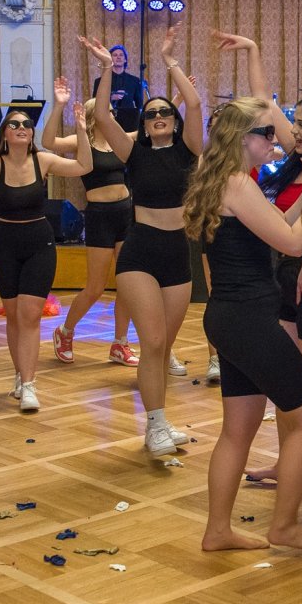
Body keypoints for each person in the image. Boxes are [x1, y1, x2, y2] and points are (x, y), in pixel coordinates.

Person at [183, 96, 302, 553]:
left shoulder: (228, 180)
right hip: (247, 318)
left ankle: (218, 531)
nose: (275, 141)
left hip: (230, 317)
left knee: (237, 431)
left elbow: (277, 224)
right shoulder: (237, 183)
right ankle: (284, 526)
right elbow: (292, 244)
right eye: (267, 133)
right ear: (242, 137)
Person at [85, 30, 202, 456]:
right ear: (145, 123)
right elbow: (102, 116)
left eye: (164, 112)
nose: (158, 116)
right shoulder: (133, 153)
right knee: (151, 342)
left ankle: (161, 421)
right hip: (140, 251)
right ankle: (153, 427)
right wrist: (105, 68)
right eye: (151, 113)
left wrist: (170, 59)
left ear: (173, 119)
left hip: (177, 252)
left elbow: (195, 104)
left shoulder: (188, 150)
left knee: (163, 347)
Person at [0, 100, 90, 413]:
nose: (21, 128)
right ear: (5, 133)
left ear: (32, 133)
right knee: (14, 316)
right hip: (5, 245)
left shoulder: (42, 161)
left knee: (30, 315)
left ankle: (30, 384)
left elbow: (83, 166)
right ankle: (20, 374)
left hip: (39, 244)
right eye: (14, 124)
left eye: (26, 125)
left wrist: (82, 131)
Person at [47, 81, 138, 366]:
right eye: (105, 111)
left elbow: (148, 131)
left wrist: (177, 100)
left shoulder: (119, 138)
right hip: (100, 216)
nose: (110, 114)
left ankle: (120, 343)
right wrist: (60, 107)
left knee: (128, 284)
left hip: (126, 213)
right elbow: (48, 143)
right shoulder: (81, 139)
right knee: (96, 287)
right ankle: (65, 331)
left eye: (111, 110)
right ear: (92, 115)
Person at [95, 44, 144, 131]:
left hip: (129, 122)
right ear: (110, 59)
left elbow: (139, 104)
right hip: (108, 120)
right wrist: (110, 98)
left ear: (125, 59)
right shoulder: (100, 81)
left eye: (121, 55)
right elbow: (94, 102)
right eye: (115, 55)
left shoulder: (135, 81)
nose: (118, 57)